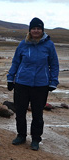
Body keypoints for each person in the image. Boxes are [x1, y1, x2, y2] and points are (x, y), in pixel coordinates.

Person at [7, 17, 59, 151]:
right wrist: (10, 78)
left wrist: (53, 82)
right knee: (20, 111)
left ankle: (36, 139)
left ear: (42, 30)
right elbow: (15, 62)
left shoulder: (49, 45)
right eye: (33, 28)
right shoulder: (23, 44)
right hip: (21, 83)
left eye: (38, 28)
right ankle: (21, 135)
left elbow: (54, 64)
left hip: (41, 85)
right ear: (30, 30)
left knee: (37, 114)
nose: (36, 31)